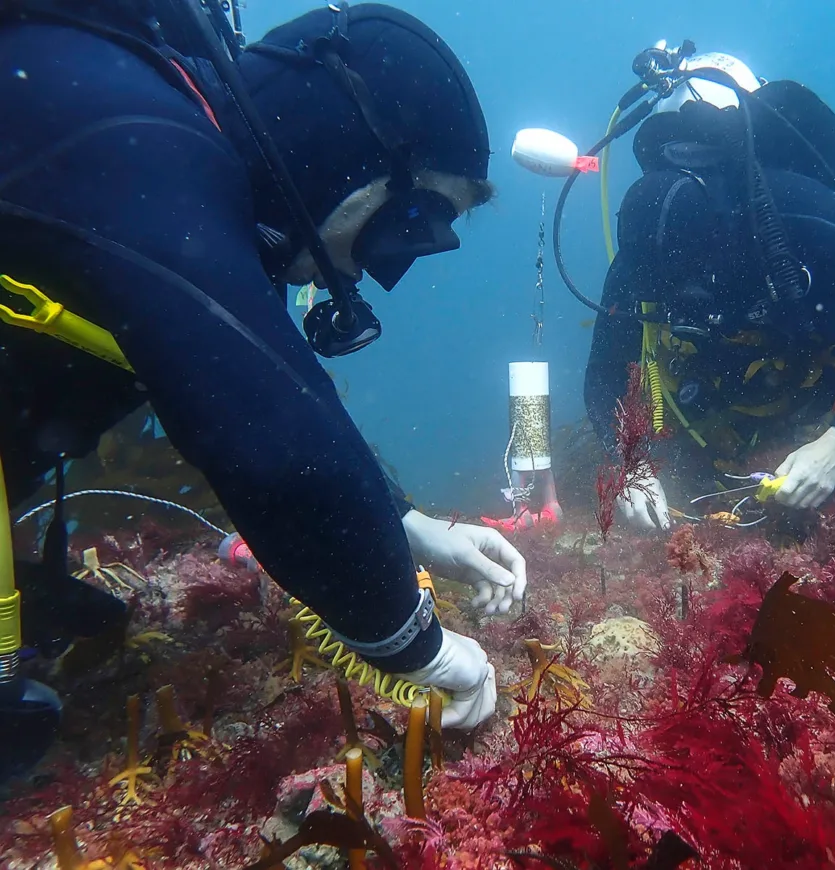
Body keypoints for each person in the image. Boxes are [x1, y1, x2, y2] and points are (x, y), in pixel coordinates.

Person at [0, 0, 525, 730]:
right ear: (346, 150)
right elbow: (272, 446)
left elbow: (262, 392)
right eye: (410, 223)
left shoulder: (178, 167)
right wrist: (425, 651)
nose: (386, 267)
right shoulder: (138, 139)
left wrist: (408, 521)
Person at [584, 51, 835, 530]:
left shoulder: (797, 207)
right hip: (731, 386)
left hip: (834, 352)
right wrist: (631, 465)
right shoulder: (648, 241)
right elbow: (604, 375)